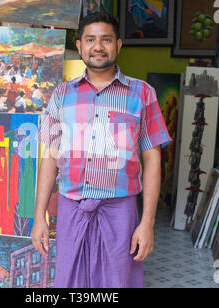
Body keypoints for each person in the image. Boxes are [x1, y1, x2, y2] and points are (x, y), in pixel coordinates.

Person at [31, 12, 171, 288]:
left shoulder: (142, 93)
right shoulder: (62, 94)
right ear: (80, 45)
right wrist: (39, 217)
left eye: (106, 39)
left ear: (118, 45)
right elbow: (49, 158)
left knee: (117, 284)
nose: (98, 47)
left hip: (120, 212)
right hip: (72, 210)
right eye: (90, 40)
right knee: (70, 283)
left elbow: (153, 159)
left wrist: (147, 223)